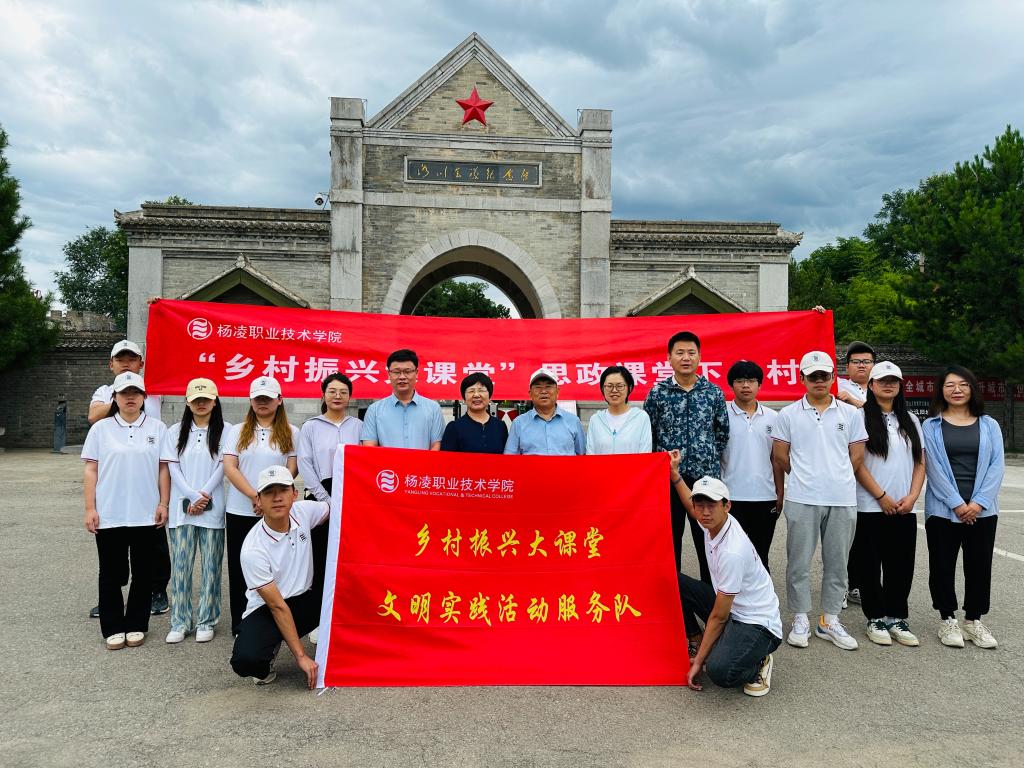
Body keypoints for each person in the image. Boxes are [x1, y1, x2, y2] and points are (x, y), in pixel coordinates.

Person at [772, 350, 867, 651]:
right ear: (802, 379)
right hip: (803, 497)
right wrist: (805, 476)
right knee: (799, 562)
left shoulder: (851, 414)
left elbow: (857, 455)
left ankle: (829, 619)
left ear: (832, 377)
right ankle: (800, 617)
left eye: (824, 375)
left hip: (842, 498)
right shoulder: (788, 414)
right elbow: (780, 455)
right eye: (812, 376)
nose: (819, 381)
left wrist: (836, 476)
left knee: (838, 563)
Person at [672, 463, 782, 698]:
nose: (705, 512)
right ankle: (701, 638)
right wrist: (675, 475)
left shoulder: (733, 551)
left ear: (727, 506)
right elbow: (690, 506)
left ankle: (759, 662)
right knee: (672, 581)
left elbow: (719, 616)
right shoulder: (712, 522)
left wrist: (699, 661)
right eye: (700, 505)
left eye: (711, 505)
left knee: (720, 671)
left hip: (757, 622)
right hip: (733, 609)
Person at [82, 371, 169, 650]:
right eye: (124, 393)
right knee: (110, 572)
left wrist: (163, 503)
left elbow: (163, 469)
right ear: (115, 397)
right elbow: (91, 469)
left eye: (135, 393)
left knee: (143, 572)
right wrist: (90, 507)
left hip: (145, 513)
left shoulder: (157, 428)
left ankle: (136, 624)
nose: (130, 398)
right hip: (110, 512)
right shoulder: (101, 429)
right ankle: (112, 626)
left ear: (144, 397)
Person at [922, 365, 1004, 649]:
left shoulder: (990, 425)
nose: (956, 390)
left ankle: (973, 621)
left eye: (963, 384)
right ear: (941, 391)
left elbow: (997, 466)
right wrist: (957, 504)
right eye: (950, 385)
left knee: (979, 565)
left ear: (972, 389)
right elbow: (932, 468)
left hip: (983, 510)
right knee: (942, 565)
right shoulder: (931, 425)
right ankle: (947, 619)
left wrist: (978, 503)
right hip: (943, 510)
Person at [230, 465, 329, 688]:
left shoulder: (304, 511)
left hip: (307, 599)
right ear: (258, 500)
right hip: (269, 608)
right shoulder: (253, 549)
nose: (277, 498)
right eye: (269, 492)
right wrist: (301, 656)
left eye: (283, 490)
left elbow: (337, 508)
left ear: (294, 494)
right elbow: (277, 607)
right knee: (246, 660)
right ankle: (269, 645)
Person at [643, 331, 729, 582]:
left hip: (706, 482)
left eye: (691, 352)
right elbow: (649, 434)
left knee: (708, 540)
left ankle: (710, 598)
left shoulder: (712, 392)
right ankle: (674, 597)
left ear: (699, 357)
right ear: (669, 358)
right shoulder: (658, 393)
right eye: (679, 353)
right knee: (670, 541)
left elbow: (722, 433)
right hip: (668, 479)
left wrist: (705, 456)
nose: (686, 358)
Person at [851, 362, 925, 646]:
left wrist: (912, 496)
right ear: (871, 385)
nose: (888, 384)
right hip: (869, 506)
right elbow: (857, 463)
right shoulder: (858, 417)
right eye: (882, 380)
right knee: (869, 565)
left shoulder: (910, 419)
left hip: (904, 506)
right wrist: (881, 496)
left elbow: (920, 462)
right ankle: (875, 617)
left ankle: (897, 617)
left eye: (893, 380)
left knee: (901, 565)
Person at [223, 376, 299, 636]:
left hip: (275, 513)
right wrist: (255, 496)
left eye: (268, 398)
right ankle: (241, 623)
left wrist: (270, 499)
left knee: (275, 569)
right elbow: (230, 467)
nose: (262, 402)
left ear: (279, 400)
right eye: (258, 398)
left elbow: (291, 469)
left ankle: (274, 622)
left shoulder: (291, 431)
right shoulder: (237, 430)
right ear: (251, 401)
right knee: (240, 568)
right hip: (241, 510)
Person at [160, 378, 229, 644]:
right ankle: (180, 621)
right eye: (196, 399)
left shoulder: (226, 431)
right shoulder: (175, 431)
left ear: (214, 401)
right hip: (182, 510)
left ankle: (206, 620)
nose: (201, 403)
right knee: (181, 567)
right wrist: (191, 495)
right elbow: (172, 466)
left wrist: (204, 495)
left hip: (212, 510)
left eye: (206, 399)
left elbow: (224, 465)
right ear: (187, 402)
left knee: (211, 567)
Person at [297, 372, 362, 640]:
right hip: (321, 497)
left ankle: (347, 615)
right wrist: (326, 500)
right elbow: (305, 463)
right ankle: (318, 620)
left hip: (354, 499)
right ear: (323, 394)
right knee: (321, 558)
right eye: (332, 391)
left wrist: (351, 499)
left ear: (350, 397)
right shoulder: (311, 426)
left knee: (350, 559)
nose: (337, 396)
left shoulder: (358, 426)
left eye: (343, 392)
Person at [720, 361, 784, 571]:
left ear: (759, 384)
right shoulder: (721, 415)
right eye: (740, 381)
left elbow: (776, 459)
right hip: (731, 497)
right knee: (731, 555)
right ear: (731, 384)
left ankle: (762, 593)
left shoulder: (773, 418)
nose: (745, 385)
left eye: (751, 381)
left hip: (764, 497)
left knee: (760, 555)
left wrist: (779, 493)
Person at [836, 341, 875, 607]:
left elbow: (886, 412)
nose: (862, 366)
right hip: (847, 467)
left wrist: (857, 403)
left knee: (868, 535)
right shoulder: (838, 386)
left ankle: (860, 583)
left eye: (866, 362)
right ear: (847, 365)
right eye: (856, 362)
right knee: (844, 535)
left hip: (875, 468)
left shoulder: (881, 386)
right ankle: (842, 585)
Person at [361, 349, 444, 450]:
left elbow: (437, 445)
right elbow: (369, 447)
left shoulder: (433, 408)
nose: (402, 377)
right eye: (396, 372)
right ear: (389, 374)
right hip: (386, 461)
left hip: (423, 461)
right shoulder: (374, 410)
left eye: (407, 372)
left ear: (416, 373)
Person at [504, 368, 585, 455]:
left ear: (557, 391)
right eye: (538, 387)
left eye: (548, 386)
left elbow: (583, 456)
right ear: (530, 393)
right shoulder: (519, 423)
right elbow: (509, 458)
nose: (543, 391)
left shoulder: (573, 421)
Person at [585, 365, 652, 455]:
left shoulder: (641, 418)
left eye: (620, 386)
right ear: (602, 389)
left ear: (629, 388)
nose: (614, 390)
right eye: (609, 386)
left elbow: (645, 454)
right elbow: (590, 454)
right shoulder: (595, 419)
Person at [440, 372, 509, 453]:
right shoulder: (454, 427)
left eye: (481, 390)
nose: (476, 395)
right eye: (471, 391)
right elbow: (446, 459)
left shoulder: (500, 426)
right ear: (464, 397)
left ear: (489, 395)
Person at [836, 341, 875, 409]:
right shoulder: (837, 384)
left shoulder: (882, 387)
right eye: (856, 362)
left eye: (867, 362)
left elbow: (884, 410)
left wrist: (852, 400)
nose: (861, 365)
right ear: (847, 367)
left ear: (874, 366)